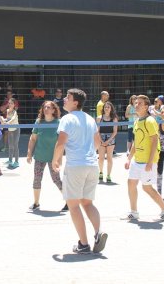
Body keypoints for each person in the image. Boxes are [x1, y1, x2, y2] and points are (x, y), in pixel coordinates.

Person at [53, 88, 107, 254]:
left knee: (73, 205)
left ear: (75, 102)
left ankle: (83, 244)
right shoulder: (90, 118)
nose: (64, 99)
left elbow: (61, 142)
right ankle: (98, 233)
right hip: (92, 165)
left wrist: (56, 159)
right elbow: (98, 143)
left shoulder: (67, 119)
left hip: (76, 166)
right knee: (87, 203)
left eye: (67, 97)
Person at [123, 95, 164, 221]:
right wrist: (129, 158)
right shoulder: (137, 121)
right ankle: (134, 212)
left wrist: (150, 162)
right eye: (135, 102)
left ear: (146, 106)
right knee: (131, 183)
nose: (136, 105)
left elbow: (155, 141)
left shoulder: (150, 121)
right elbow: (136, 142)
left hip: (147, 162)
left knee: (147, 188)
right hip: (137, 160)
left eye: (139, 103)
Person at [27, 100, 66, 211]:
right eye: (44, 107)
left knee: (56, 180)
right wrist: (29, 154)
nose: (46, 109)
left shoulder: (58, 123)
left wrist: (59, 159)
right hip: (39, 156)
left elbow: (62, 142)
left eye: (48, 107)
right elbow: (33, 139)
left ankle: (69, 202)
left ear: (54, 110)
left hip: (53, 158)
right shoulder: (39, 122)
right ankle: (36, 203)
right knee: (37, 179)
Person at [96, 101, 118, 183]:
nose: (107, 108)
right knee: (101, 158)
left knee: (109, 158)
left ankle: (108, 175)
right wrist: (101, 140)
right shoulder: (99, 118)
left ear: (111, 108)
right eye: (105, 107)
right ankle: (101, 172)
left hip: (110, 139)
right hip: (101, 138)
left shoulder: (114, 118)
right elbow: (97, 130)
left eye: (108, 107)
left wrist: (108, 140)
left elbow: (115, 131)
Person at [2, 98, 20, 169]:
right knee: (10, 145)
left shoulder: (15, 112)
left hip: (16, 129)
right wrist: (3, 120)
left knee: (15, 145)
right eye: (9, 103)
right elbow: (8, 119)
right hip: (10, 130)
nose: (10, 104)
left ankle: (16, 162)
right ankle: (10, 160)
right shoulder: (7, 111)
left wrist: (7, 123)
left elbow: (12, 119)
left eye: (11, 103)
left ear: (14, 104)